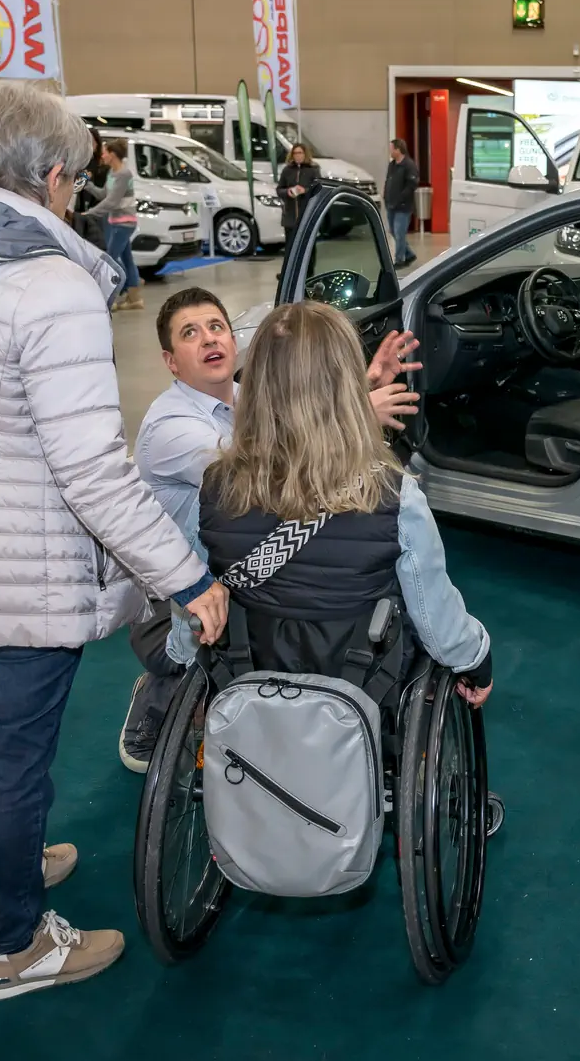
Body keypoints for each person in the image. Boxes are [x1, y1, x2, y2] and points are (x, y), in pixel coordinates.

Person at [0, 79, 229, 1001]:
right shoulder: (55, 284)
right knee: (14, 752)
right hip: (25, 565)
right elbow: (91, 468)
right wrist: (185, 579)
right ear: (56, 177)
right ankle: (12, 946)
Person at [119, 287, 421, 771]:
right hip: (183, 586)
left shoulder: (248, 397)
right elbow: (269, 464)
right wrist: (357, 408)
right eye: (189, 334)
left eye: (215, 326)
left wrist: (357, 384)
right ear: (170, 361)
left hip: (236, 559)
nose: (207, 339)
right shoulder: (172, 431)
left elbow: (294, 416)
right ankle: (156, 697)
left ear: (237, 345)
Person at [181, 299, 491, 710]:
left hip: (244, 686)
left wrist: (178, 655)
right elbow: (437, 622)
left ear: (253, 383)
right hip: (363, 693)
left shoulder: (215, 488)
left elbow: (190, 606)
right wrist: (477, 659)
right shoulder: (392, 495)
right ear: (348, 387)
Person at [86, 138, 139, 311]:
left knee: (110, 259)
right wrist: (88, 185)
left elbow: (112, 202)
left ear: (113, 155)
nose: (102, 155)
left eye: (105, 152)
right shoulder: (112, 173)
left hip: (124, 222)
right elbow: (104, 195)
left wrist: (89, 214)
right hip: (116, 221)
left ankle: (114, 295)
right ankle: (134, 299)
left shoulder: (124, 174)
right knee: (127, 260)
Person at [275, 142, 320, 246]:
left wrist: (305, 190)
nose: (297, 155)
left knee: (307, 247)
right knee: (291, 247)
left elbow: (318, 188)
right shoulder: (287, 170)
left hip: (307, 215)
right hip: (290, 217)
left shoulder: (313, 170)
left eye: (300, 153)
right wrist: (288, 191)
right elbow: (279, 189)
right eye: (295, 153)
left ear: (305, 154)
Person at [384, 138, 420, 267]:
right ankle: (409, 254)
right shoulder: (392, 165)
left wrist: (400, 198)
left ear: (398, 150)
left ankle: (399, 260)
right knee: (394, 231)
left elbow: (412, 185)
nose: (390, 151)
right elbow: (388, 181)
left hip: (403, 207)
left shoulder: (409, 166)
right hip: (391, 205)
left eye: (391, 149)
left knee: (399, 233)